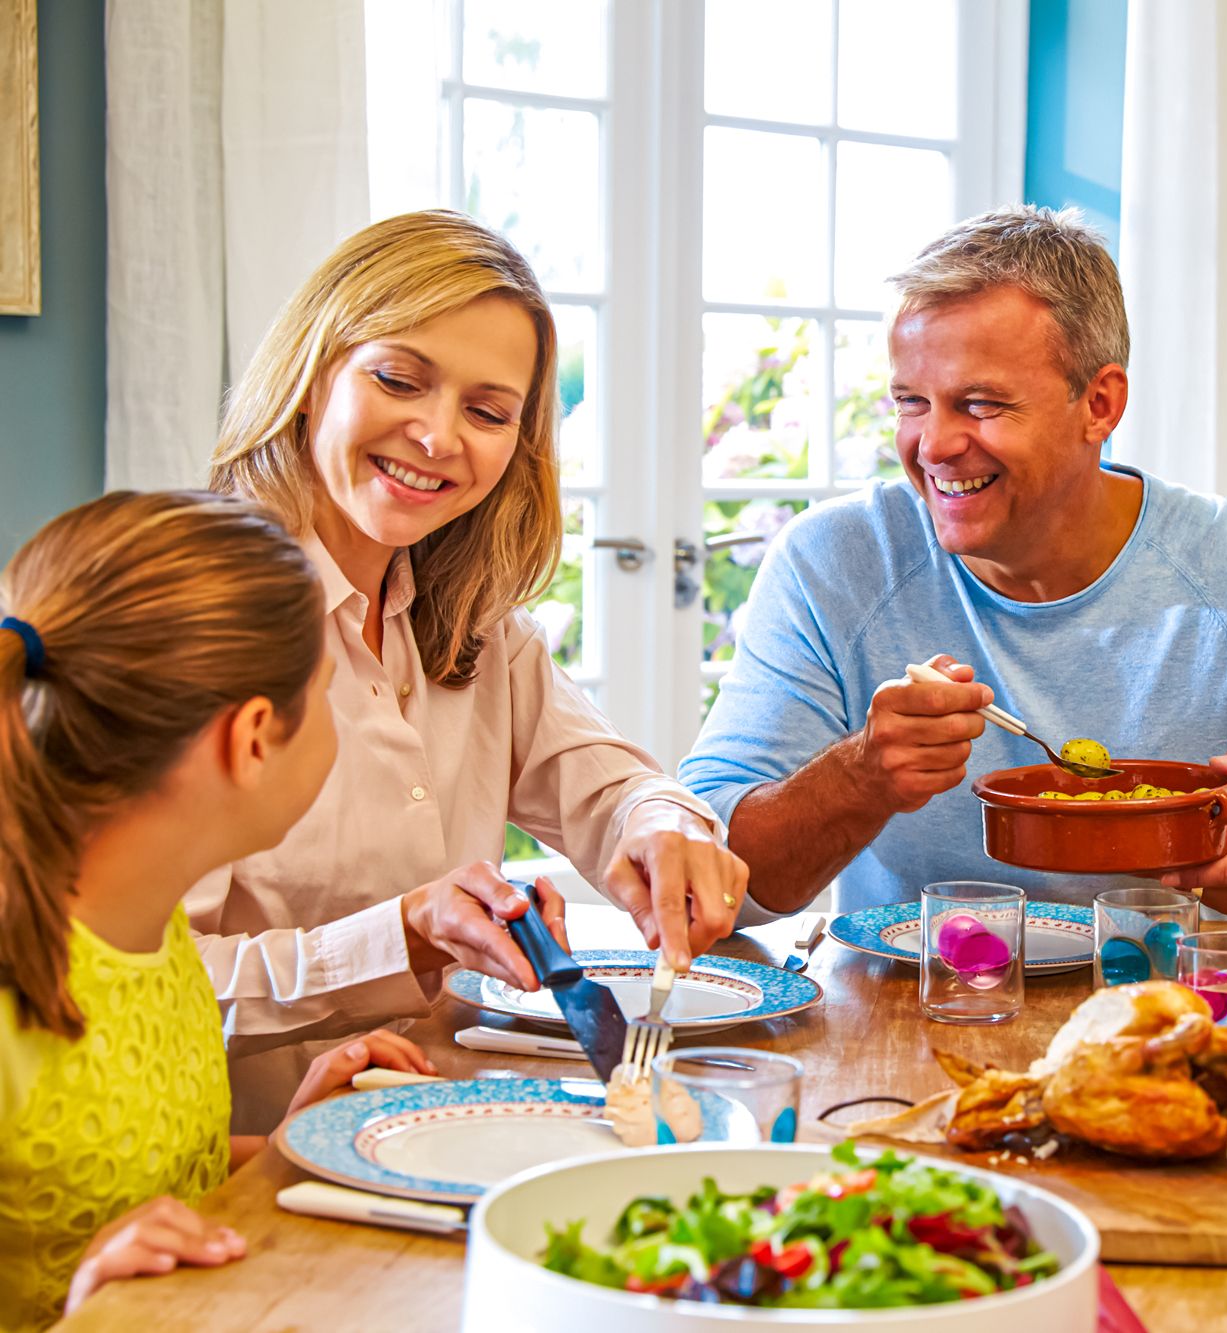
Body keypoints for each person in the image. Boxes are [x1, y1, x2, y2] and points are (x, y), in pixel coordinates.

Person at [198, 211, 749, 1130]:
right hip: (242, 1184)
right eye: (398, 380)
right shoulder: (200, 627)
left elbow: (612, 786)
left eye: (488, 412)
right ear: (310, 375)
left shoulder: (476, 627)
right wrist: (401, 935)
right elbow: (127, 994)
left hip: (447, 1136)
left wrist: (662, 821)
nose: (435, 434)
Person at [680, 206, 1227, 918]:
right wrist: (862, 776)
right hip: (908, 1017)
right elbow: (705, 872)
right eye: (911, 402)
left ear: (1099, 404)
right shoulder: (834, 561)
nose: (933, 444)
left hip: (1169, 1018)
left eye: (979, 404)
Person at [0, 491, 433, 1330]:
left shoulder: (150, 933)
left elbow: (130, 1191)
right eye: (329, 695)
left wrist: (284, 1149)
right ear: (256, 737)